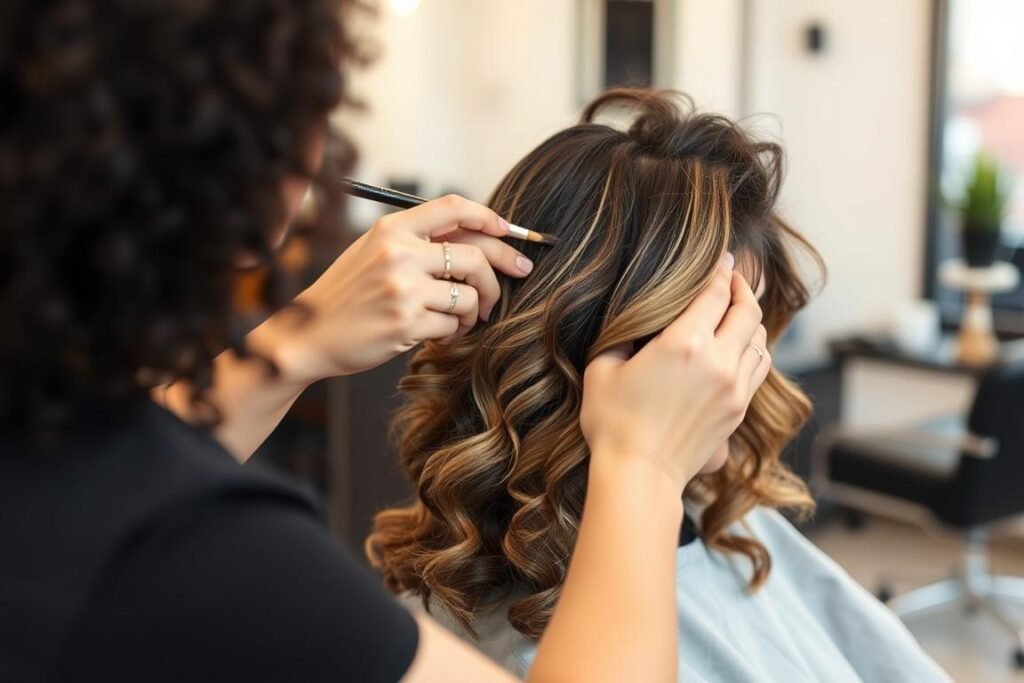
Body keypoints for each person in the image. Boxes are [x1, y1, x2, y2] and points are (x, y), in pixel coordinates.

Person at [0, 4, 766, 683]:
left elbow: (103, 481)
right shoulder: (225, 561)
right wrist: (641, 466)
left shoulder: (52, 444)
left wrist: (292, 344)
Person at [367, 89, 953, 682]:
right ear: (582, 353)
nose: (737, 377)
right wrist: (644, 462)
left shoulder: (726, 523)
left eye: (747, 334)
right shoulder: (476, 656)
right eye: (716, 332)